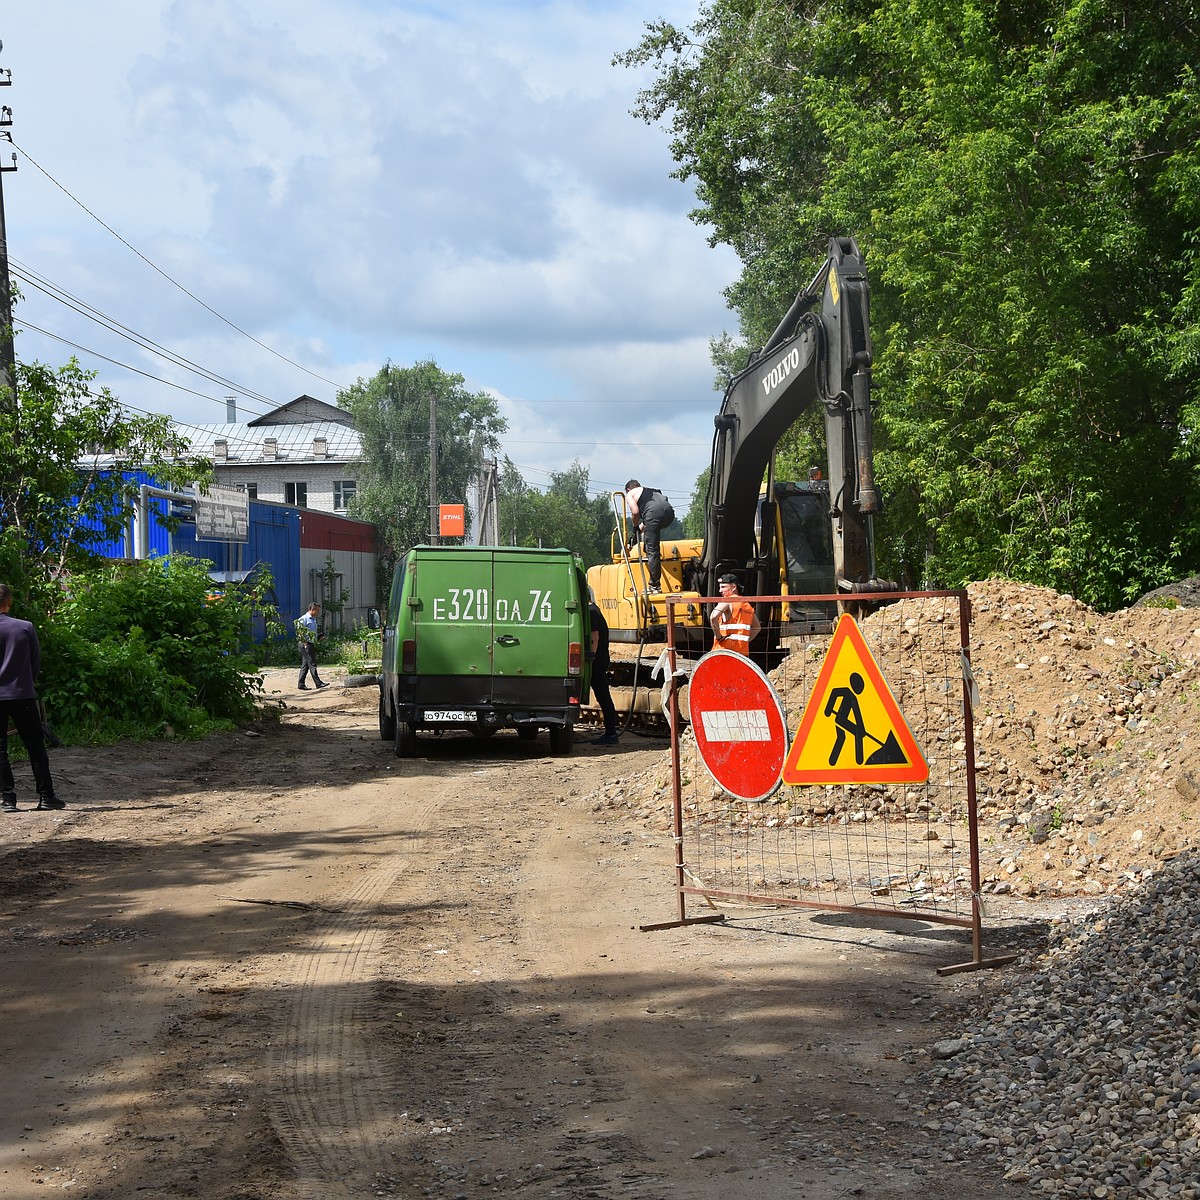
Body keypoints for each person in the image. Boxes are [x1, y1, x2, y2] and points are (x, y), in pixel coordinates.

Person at [0, 583, 64, 812]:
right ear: (9, 602)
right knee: (35, 746)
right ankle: (46, 796)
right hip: (21, 694)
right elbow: (35, 663)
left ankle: (7, 799)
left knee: (0, 750)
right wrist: (28, 682)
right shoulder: (25, 627)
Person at [624, 479, 676, 593]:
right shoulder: (653, 492)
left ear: (628, 489)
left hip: (653, 515)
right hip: (669, 514)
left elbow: (635, 512)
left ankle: (655, 586)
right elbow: (652, 518)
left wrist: (635, 527)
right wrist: (638, 534)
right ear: (638, 486)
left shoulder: (630, 494)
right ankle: (647, 549)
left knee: (653, 551)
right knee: (651, 541)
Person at [587, 593, 619, 746]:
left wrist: (590, 658)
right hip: (600, 660)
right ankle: (611, 732)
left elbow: (595, 637)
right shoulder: (595, 610)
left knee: (603, 697)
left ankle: (611, 734)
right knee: (603, 696)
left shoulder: (592, 612)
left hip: (596, 662)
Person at [710, 573, 761, 657]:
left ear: (733, 587)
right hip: (742, 653)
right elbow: (757, 627)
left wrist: (718, 636)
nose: (720, 591)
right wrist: (744, 640)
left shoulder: (727, 601)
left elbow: (713, 617)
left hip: (724, 651)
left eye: (723, 587)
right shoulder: (747, 605)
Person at [295, 602, 330, 691]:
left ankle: (301, 684)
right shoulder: (304, 619)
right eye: (317, 611)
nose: (318, 612)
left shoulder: (313, 619)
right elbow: (300, 632)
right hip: (305, 644)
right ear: (312, 609)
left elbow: (310, 634)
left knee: (305, 665)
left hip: (310, 643)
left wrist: (318, 637)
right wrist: (305, 643)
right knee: (312, 663)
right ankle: (318, 683)